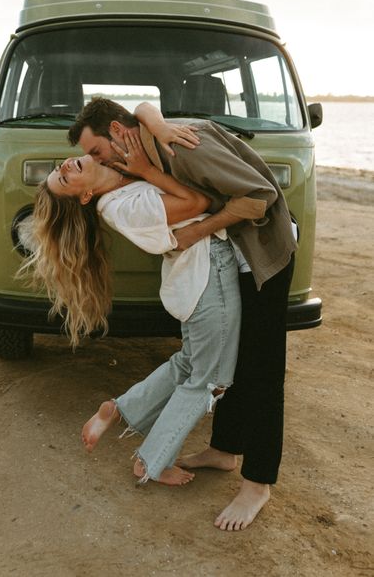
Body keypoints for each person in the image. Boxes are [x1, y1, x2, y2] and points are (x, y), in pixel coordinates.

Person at [68, 96, 297, 531]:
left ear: (118, 133)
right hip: (234, 257)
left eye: (95, 152)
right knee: (231, 361)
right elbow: (144, 108)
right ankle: (225, 450)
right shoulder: (149, 149)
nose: (94, 161)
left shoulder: (182, 146)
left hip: (263, 255)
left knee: (261, 373)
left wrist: (195, 232)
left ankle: (257, 486)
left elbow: (260, 198)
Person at [26, 133, 242, 487]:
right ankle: (152, 462)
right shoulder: (124, 206)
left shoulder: (120, 183)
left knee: (190, 363)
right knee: (210, 381)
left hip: (196, 275)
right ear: (83, 195)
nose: (64, 165)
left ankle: (119, 409)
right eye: (64, 178)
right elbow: (201, 200)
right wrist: (146, 169)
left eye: (58, 168)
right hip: (207, 273)